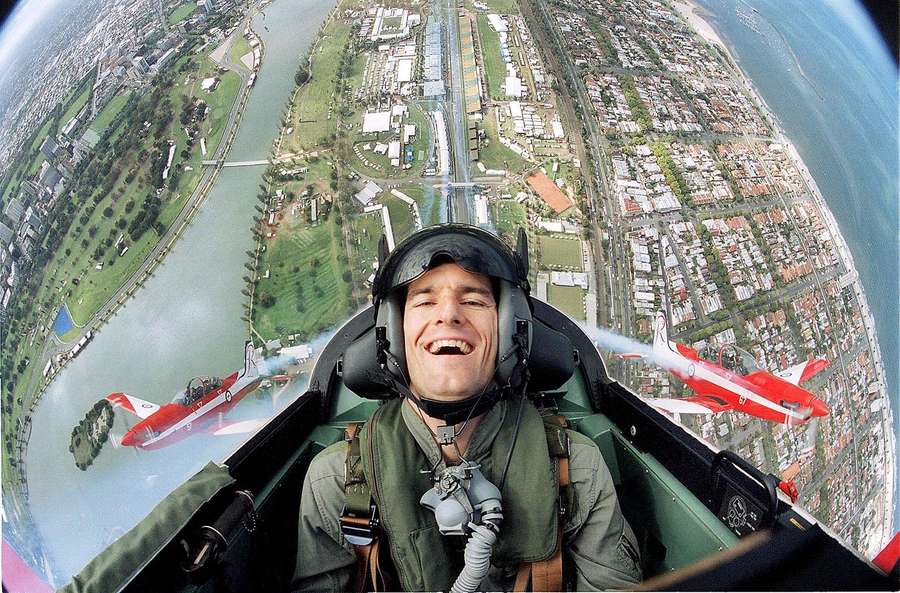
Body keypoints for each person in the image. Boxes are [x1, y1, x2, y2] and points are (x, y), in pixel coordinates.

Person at [292, 224, 641, 591]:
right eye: (424, 301)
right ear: (391, 335)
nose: (448, 315)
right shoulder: (339, 479)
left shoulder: (575, 471)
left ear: (511, 330)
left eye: (474, 301)